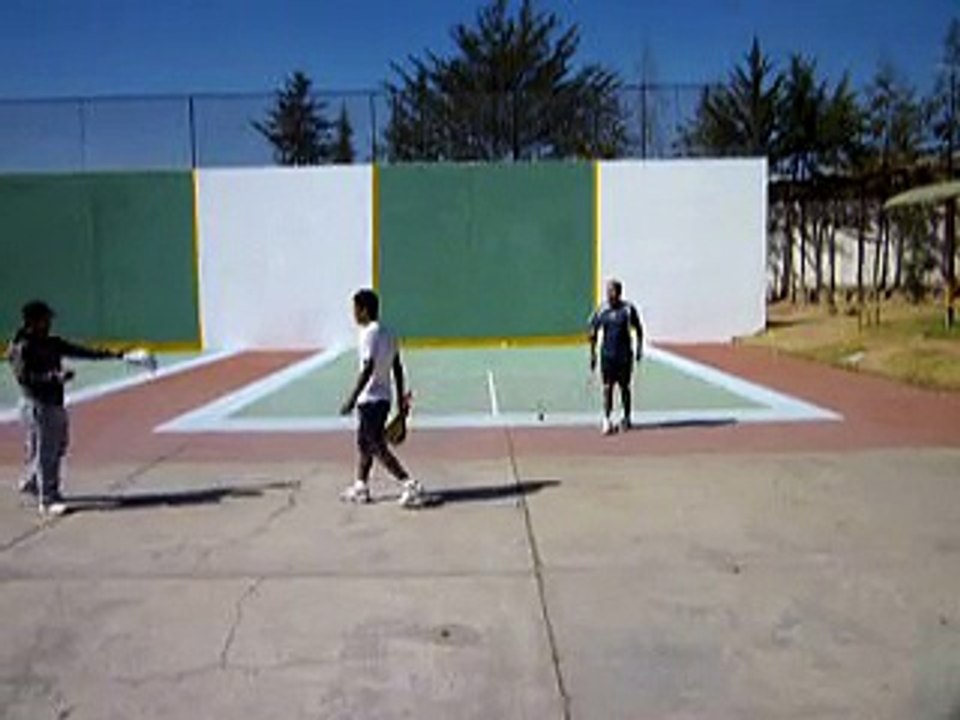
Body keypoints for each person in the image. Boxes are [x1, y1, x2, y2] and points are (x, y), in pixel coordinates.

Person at [7, 300, 124, 515]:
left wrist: (113, 354)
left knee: (57, 445)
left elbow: (79, 351)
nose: (49, 323)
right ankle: (48, 498)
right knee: (46, 451)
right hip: (37, 404)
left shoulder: (50, 342)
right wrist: (55, 377)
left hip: (54, 402)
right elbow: (25, 377)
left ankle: (34, 480)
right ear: (33, 322)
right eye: (45, 319)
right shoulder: (21, 347)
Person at [339, 289, 423, 508]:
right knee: (364, 443)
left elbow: (368, 368)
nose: (354, 314)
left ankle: (409, 483)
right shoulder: (389, 333)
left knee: (375, 445)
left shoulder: (369, 333)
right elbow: (397, 367)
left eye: (356, 309)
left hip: (370, 399)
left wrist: (351, 398)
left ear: (365, 310)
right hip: (384, 397)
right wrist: (400, 398)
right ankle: (361, 486)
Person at [589, 279, 644, 435]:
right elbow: (592, 331)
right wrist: (592, 354)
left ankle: (627, 417)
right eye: (607, 291)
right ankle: (607, 420)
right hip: (607, 356)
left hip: (624, 356)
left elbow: (639, 329)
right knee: (607, 387)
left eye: (612, 291)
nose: (609, 294)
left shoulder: (628, 310)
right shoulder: (602, 310)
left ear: (619, 293)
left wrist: (639, 349)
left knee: (624, 387)